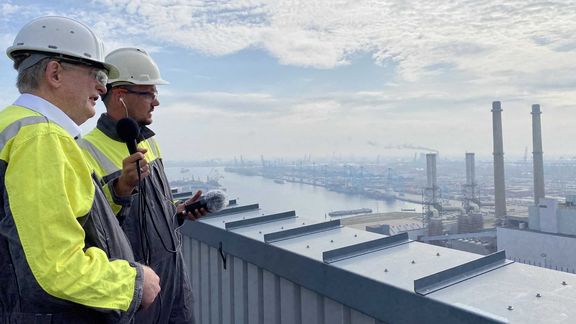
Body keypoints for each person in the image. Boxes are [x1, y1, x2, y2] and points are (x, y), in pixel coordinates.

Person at [0, 16, 161, 323]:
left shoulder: (13, 125)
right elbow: (57, 266)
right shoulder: (40, 137)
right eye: (95, 74)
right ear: (55, 73)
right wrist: (134, 283)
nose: (102, 88)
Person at [79, 47, 202, 323]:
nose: (156, 102)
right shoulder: (86, 152)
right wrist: (120, 189)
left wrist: (179, 211)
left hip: (173, 283)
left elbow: (155, 209)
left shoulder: (149, 142)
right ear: (120, 96)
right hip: (135, 293)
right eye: (148, 93)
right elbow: (90, 233)